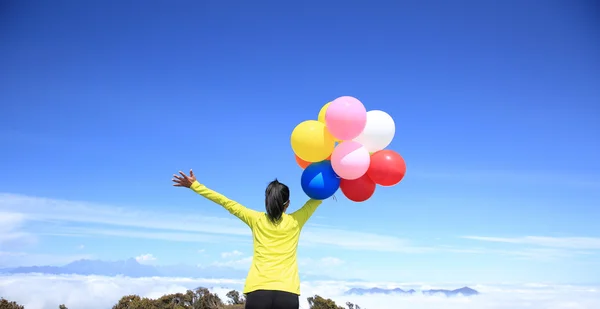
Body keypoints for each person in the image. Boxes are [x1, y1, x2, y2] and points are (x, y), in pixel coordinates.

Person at [172, 169, 323, 309]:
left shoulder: (255, 219)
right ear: (288, 203)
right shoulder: (296, 221)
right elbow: (318, 197)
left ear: (266, 201)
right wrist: (336, 175)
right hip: (288, 293)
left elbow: (225, 202)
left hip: (258, 291)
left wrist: (195, 186)